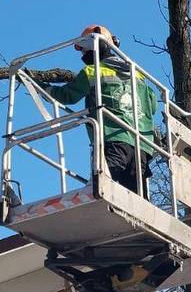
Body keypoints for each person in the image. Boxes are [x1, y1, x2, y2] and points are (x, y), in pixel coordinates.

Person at [47, 25, 159, 195]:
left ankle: (93, 196)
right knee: (137, 195)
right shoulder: (138, 74)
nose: (83, 55)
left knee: (100, 187)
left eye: (84, 50)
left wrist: (41, 87)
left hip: (112, 139)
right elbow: (153, 105)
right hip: (142, 145)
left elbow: (65, 96)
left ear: (97, 46)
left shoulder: (92, 71)